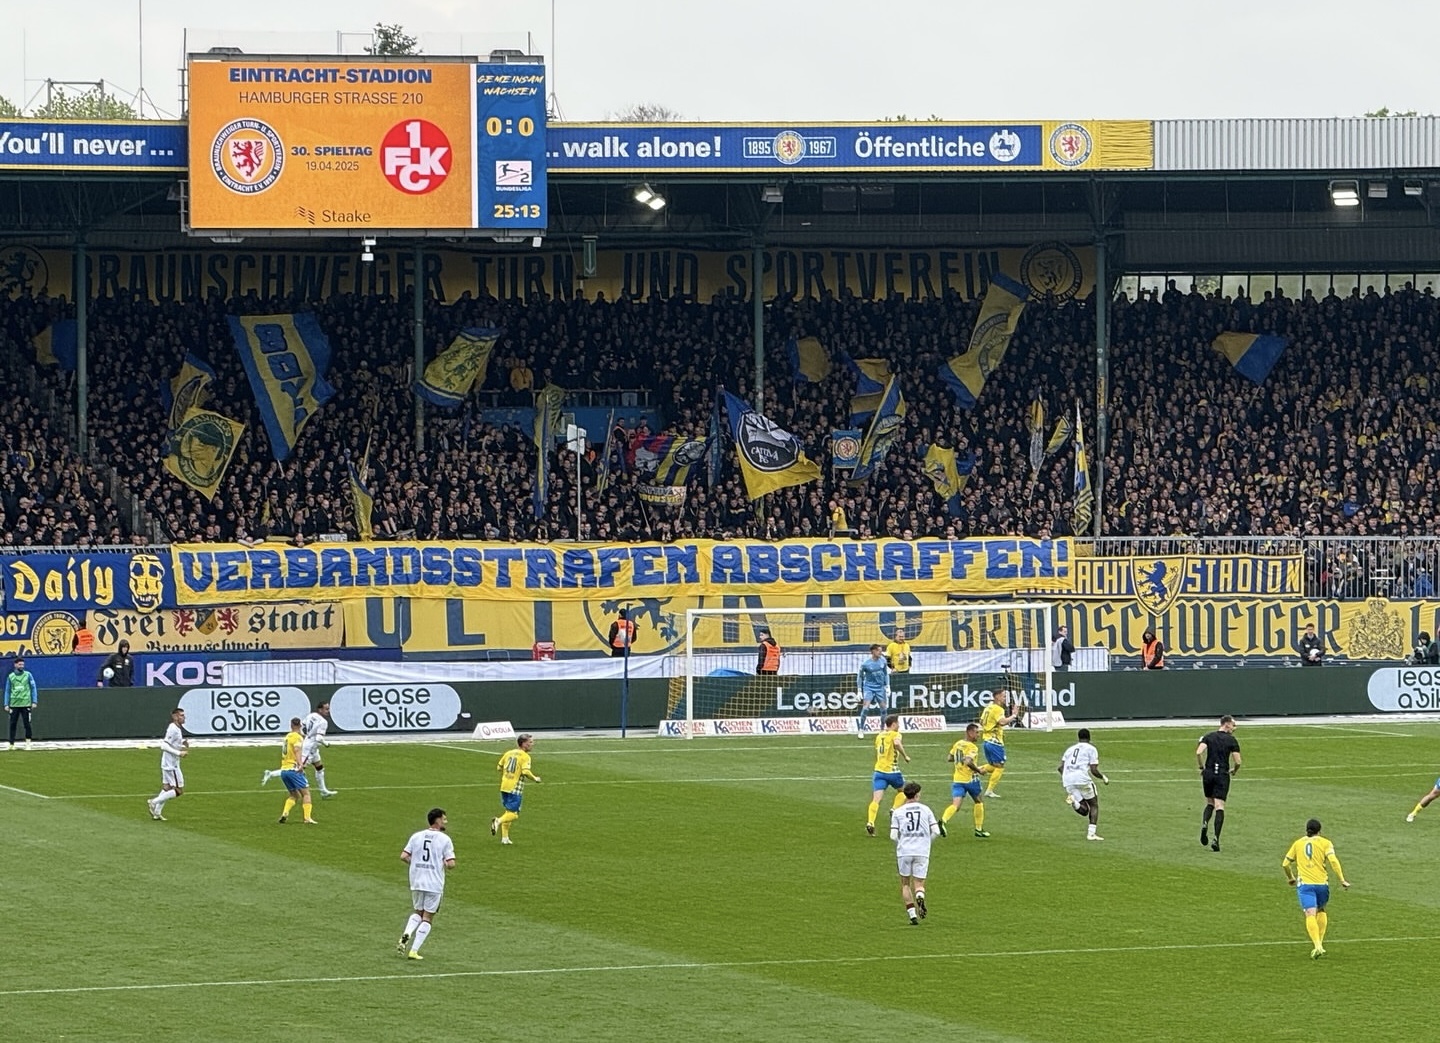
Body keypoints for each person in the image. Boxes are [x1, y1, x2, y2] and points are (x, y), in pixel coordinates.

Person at [1281, 818, 1350, 959]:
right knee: (1321, 909)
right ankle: (1321, 944)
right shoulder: (1326, 843)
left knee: (1310, 913)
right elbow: (1333, 861)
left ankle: (1317, 945)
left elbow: (1285, 864)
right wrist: (1342, 879)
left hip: (1305, 885)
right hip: (1322, 884)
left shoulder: (1298, 843)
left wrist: (1291, 878)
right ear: (1320, 831)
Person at [397, 807, 456, 960]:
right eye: (444, 819)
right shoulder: (445, 839)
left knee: (418, 911)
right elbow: (451, 864)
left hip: (416, 880)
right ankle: (414, 951)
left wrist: (416, 864)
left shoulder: (416, 836)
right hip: (434, 883)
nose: (446, 822)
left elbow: (404, 856)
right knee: (428, 917)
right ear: (437, 820)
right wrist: (442, 863)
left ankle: (407, 933)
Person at [890, 781, 940, 925]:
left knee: (905, 883)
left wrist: (902, 844)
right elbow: (936, 831)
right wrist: (927, 842)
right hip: (922, 851)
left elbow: (893, 836)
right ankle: (920, 895)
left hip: (904, 852)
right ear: (917, 794)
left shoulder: (898, 812)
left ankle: (912, 916)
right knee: (919, 883)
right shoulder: (926, 810)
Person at [1197, 715, 1242, 851]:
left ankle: (1205, 823)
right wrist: (1234, 770)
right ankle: (1216, 838)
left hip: (1209, 773)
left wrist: (1201, 768)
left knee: (1209, 803)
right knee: (1219, 806)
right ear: (1227, 724)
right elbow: (1238, 761)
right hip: (1222, 774)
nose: (1234, 728)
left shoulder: (1209, 736)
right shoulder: (1232, 740)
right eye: (1233, 725)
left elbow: (1199, 753)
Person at [942, 722, 992, 838]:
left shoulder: (958, 743)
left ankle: (943, 821)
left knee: (955, 805)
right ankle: (978, 829)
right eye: (976, 732)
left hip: (958, 779)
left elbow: (949, 758)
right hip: (970, 780)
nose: (978, 735)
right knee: (979, 801)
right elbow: (968, 761)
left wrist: (959, 759)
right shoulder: (972, 747)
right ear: (970, 733)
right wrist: (979, 770)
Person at [1059, 727, 1109, 841]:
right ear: (1089, 737)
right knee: (1093, 805)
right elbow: (1093, 769)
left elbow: (1060, 767)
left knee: (1084, 810)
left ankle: (1074, 801)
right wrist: (1103, 777)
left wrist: (1068, 777)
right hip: (1082, 779)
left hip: (1068, 780)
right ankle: (1091, 834)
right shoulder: (1091, 749)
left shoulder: (1070, 749)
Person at [865, 714, 910, 836]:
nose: (899, 726)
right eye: (898, 723)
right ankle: (894, 809)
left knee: (876, 800)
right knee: (904, 792)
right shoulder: (895, 734)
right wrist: (905, 755)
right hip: (893, 771)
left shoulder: (879, 736)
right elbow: (896, 743)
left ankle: (871, 822)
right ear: (894, 724)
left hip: (879, 771)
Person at [492, 734, 540, 844]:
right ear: (523, 744)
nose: (532, 744)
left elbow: (499, 767)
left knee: (508, 812)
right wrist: (535, 778)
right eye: (530, 742)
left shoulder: (508, 753)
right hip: (515, 787)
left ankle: (505, 838)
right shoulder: (525, 756)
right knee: (513, 814)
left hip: (504, 785)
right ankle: (497, 821)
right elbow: (525, 772)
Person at [147, 708, 187, 821]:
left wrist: (182, 744)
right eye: (181, 715)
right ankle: (153, 802)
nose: (184, 718)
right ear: (175, 717)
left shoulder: (177, 729)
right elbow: (164, 746)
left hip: (168, 762)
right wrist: (179, 753)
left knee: (167, 788)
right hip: (171, 764)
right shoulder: (173, 729)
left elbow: (174, 743)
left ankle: (157, 813)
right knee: (178, 790)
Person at [979, 691, 1021, 798]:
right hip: (995, 742)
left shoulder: (988, 708)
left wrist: (993, 728)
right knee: (1000, 767)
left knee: (993, 766)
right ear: (997, 697)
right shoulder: (998, 709)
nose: (1005, 698)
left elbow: (981, 721)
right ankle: (989, 791)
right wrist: (1014, 715)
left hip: (986, 740)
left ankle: (974, 770)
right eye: (1003, 696)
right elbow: (1002, 722)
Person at [276, 717, 316, 825]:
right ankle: (307, 818)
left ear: (291, 725)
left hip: (284, 770)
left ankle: (285, 813)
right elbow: (297, 750)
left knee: (294, 795)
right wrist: (300, 764)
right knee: (306, 794)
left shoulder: (287, 737)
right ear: (300, 726)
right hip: (293, 769)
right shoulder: (297, 737)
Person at [301, 701, 338, 798]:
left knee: (320, 768)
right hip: (309, 749)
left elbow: (302, 725)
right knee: (298, 770)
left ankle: (323, 791)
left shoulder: (311, 715)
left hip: (311, 747)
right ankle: (271, 774)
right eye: (326, 709)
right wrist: (327, 744)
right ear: (320, 709)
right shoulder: (323, 722)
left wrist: (304, 735)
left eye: (328, 708)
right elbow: (319, 738)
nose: (328, 711)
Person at [856, 644, 890, 737]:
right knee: (866, 708)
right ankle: (861, 729)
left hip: (880, 688)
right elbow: (860, 677)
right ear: (873, 652)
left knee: (884, 709)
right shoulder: (866, 664)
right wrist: (859, 690)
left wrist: (887, 686)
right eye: (879, 650)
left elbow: (886, 674)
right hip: (869, 688)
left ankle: (882, 729)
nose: (880, 652)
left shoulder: (883, 661)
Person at [5, 656, 38, 750]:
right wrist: (6, 704)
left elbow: (33, 688)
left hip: (26, 703)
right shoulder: (11, 676)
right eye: (20, 664)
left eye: (23, 664)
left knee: (27, 724)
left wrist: (34, 701)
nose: (21, 666)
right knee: (12, 724)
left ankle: (28, 743)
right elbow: (8, 690)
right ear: (15, 665)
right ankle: (11, 744)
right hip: (14, 704)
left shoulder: (28, 675)